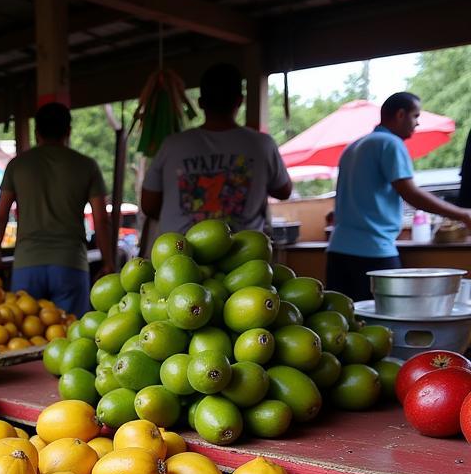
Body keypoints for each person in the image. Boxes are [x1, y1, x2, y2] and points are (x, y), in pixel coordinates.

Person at [327, 92, 471, 300]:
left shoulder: (354, 147)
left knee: (342, 322)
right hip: (373, 252)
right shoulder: (390, 143)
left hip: (338, 250)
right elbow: (409, 192)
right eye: (415, 116)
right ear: (401, 114)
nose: (417, 123)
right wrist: (462, 214)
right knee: (382, 324)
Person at [140, 63, 292, 239]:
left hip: (181, 253)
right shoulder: (262, 144)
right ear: (239, 101)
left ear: (201, 103)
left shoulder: (172, 145)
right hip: (242, 255)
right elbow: (284, 191)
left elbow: (149, 205)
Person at [0, 103, 111, 316]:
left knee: (25, 337)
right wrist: (109, 262)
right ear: (68, 131)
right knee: (71, 336)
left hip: (27, 264)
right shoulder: (86, 165)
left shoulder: (17, 165)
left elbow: (1, 216)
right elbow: (101, 220)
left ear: (37, 132)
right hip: (70, 263)